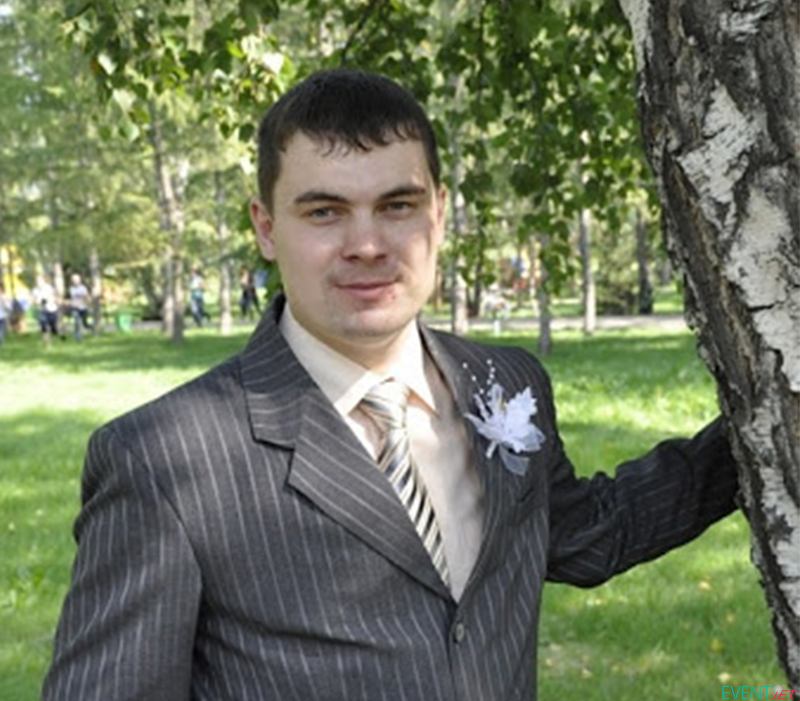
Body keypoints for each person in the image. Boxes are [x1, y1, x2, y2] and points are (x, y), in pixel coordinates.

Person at [43, 69, 739, 701]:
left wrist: (759, 438)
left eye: (397, 205)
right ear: (266, 227)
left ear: (438, 212)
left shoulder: (503, 382)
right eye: (324, 212)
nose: (368, 244)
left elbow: (586, 534)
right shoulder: (164, 461)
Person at [32, 274, 60, 345]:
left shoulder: (49, 288)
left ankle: (55, 331)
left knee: (53, 327)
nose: (38, 282)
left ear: (43, 281)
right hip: (42, 310)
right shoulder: (35, 290)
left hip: (52, 309)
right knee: (43, 326)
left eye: (39, 280)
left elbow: (54, 296)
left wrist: (50, 300)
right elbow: (34, 300)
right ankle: (47, 343)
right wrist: (37, 302)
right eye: (37, 281)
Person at [67, 272, 92, 341]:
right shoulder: (71, 289)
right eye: (73, 280)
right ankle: (77, 336)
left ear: (80, 280)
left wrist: (86, 300)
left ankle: (91, 328)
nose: (75, 281)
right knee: (77, 322)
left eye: (76, 280)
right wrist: (70, 303)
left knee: (85, 324)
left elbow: (87, 298)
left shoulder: (83, 288)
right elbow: (69, 298)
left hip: (83, 308)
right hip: (75, 308)